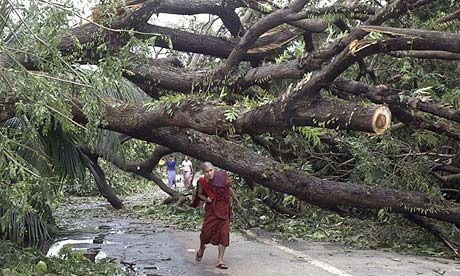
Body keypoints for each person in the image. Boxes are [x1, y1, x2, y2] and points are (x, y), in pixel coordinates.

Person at [191, 162, 241, 270]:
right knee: (206, 232)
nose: (209, 174)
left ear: (213, 169)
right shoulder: (202, 182)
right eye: (207, 172)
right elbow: (199, 194)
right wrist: (206, 199)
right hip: (212, 209)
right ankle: (201, 248)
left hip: (223, 208)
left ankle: (220, 260)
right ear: (203, 173)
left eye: (211, 170)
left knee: (224, 233)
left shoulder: (221, 177)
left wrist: (237, 201)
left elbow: (229, 190)